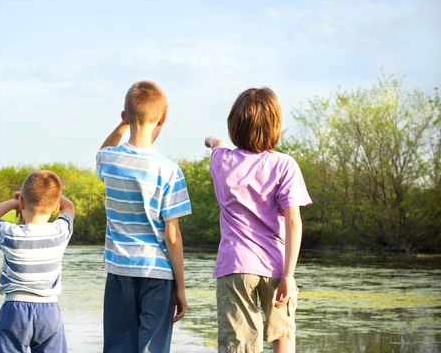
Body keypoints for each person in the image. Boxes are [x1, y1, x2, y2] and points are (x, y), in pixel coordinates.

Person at [205, 87, 312, 353]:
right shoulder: (285, 165)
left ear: (234, 126)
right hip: (276, 266)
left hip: (235, 265)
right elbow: (293, 223)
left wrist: (212, 139)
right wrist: (289, 274)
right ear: (275, 126)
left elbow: (216, 144)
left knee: (238, 343)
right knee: (283, 336)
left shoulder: (222, 160)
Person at [96, 80, 192, 353]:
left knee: (118, 347)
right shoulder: (170, 171)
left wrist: (123, 124)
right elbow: (172, 236)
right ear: (163, 117)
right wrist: (181, 287)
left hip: (119, 271)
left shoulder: (109, 160)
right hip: (157, 274)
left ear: (125, 116)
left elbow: (102, 151)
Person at [0, 170, 75, 353]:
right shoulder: (60, 232)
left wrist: (14, 201)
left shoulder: (10, 234)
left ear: (22, 202)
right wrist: (53, 197)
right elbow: (69, 207)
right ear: (55, 208)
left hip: (15, 311)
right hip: (49, 311)